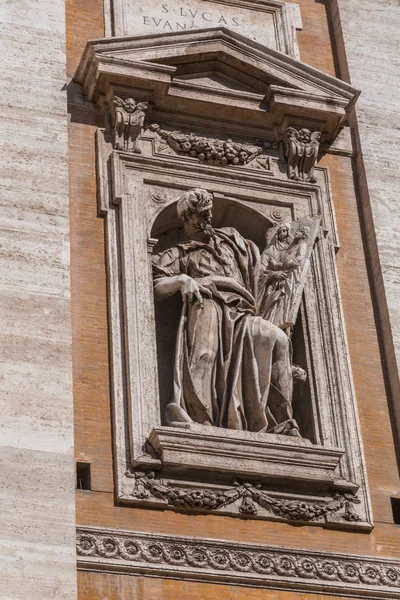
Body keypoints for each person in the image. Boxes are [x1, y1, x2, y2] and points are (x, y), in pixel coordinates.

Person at [152, 189, 300, 436]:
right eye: (201, 216)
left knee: (279, 340)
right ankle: (202, 422)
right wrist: (181, 279)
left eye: (209, 213)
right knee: (203, 358)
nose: (207, 220)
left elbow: (260, 271)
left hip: (243, 312)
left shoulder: (233, 241)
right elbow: (157, 286)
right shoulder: (179, 253)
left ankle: (282, 423)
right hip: (207, 304)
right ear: (187, 218)